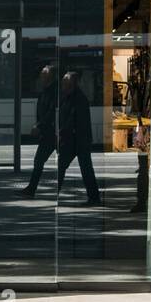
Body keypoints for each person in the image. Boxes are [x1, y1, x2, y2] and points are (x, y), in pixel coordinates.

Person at [56, 71, 102, 206]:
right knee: (69, 167)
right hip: (75, 140)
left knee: (84, 169)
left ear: (72, 84)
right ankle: (94, 197)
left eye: (65, 83)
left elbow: (72, 120)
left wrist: (62, 133)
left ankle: (94, 198)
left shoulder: (78, 99)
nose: (62, 85)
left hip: (78, 141)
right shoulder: (69, 97)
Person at [19, 66, 60, 198]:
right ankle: (31, 188)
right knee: (40, 161)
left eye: (43, 75)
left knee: (39, 161)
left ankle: (31, 189)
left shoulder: (53, 91)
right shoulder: (47, 90)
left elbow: (51, 112)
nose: (40, 77)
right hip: (49, 132)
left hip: (52, 133)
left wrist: (39, 125)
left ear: (49, 76)